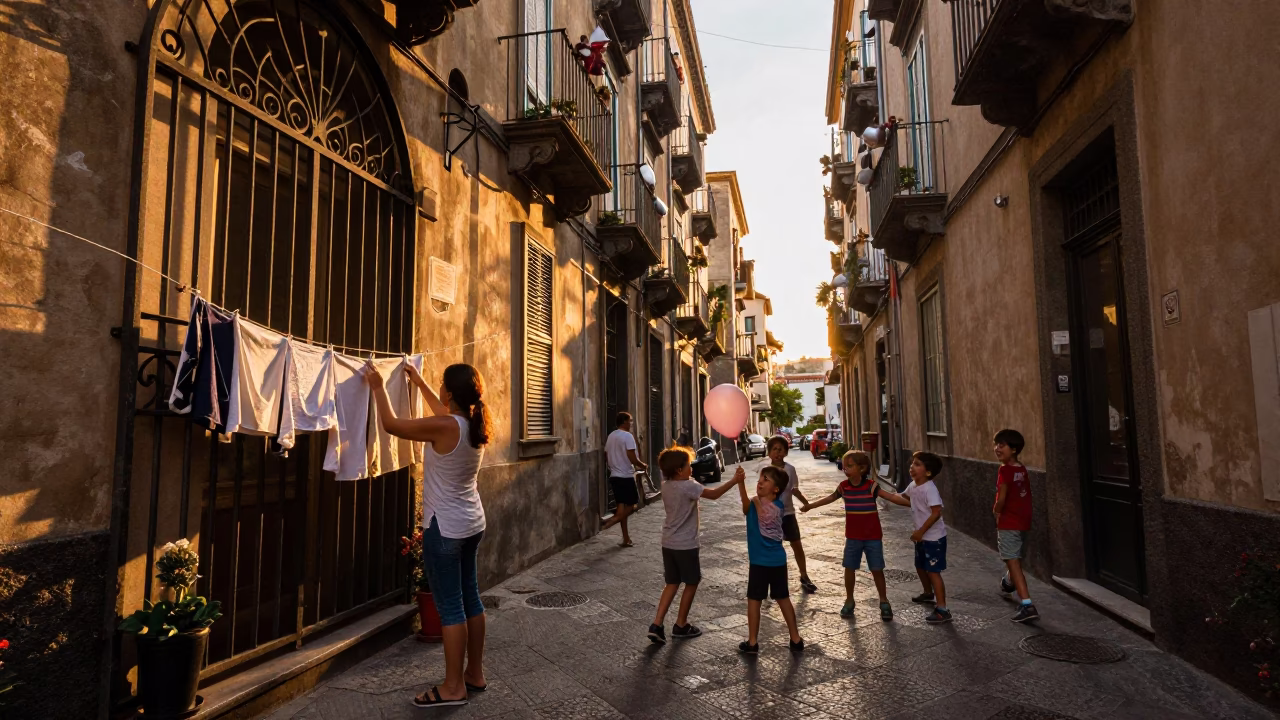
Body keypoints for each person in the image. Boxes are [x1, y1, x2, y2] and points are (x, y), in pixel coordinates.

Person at [365, 362, 490, 707]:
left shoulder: (446, 425)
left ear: (449, 393)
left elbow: (391, 425)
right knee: (472, 599)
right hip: (472, 523)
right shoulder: (470, 424)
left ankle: (452, 687)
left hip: (445, 529)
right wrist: (419, 381)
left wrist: (377, 386)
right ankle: (474, 674)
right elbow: (441, 412)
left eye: (440, 386)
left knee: (450, 608)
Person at [648, 449, 746, 645]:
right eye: (687, 465)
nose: (691, 468)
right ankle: (681, 624)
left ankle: (657, 624)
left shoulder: (665, 485)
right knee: (692, 582)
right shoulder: (688, 486)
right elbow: (714, 494)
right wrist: (734, 481)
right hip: (686, 544)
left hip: (668, 542)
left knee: (672, 583)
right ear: (678, 470)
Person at [802, 450, 893, 621]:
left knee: (877, 569)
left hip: (873, 537)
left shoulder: (871, 486)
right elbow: (830, 498)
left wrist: (910, 501)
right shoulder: (844, 487)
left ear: (862, 468)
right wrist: (810, 506)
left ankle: (884, 601)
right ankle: (849, 600)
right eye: (845, 466)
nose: (846, 469)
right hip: (853, 537)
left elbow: (890, 496)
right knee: (849, 568)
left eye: (850, 466)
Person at [737, 465, 804, 654]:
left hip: (763, 563)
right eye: (760, 478)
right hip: (772, 562)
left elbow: (758, 512)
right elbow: (747, 507)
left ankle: (755, 642)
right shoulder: (769, 505)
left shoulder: (767, 505)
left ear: (776, 489)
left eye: (766, 479)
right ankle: (793, 638)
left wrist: (749, 494)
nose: (760, 481)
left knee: (760, 600)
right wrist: (741, 484)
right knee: (775, 599)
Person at [881, 452, 951, 624]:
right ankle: (928, 593)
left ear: (928, 472)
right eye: (912, 463)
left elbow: (936, 513)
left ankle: (942, 609)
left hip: (934, 538)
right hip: (922, 538)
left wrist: (920, 531)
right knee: (920, 565)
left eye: (917, 464)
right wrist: (880, 492)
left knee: (933, 572)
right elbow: (904, 499)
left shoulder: (929, 489)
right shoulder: (914, 485)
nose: (912, 466)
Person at [993, 429, 1039, 623]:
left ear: (1013, 449)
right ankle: (1008, 582)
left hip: (1009, 520)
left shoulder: (1004, 470)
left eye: (1001, 445)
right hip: (1022, 521)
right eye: (996, 444)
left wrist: (996, 511)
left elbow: (1001, 498)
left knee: (1012, 560)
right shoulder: (1021, 468)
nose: (996, 448)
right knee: (1015, 557)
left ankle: (1027, 604)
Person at [767, 436, 818, 593]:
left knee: (796, 545)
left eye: (781, 449)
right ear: (769, 452)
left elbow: (794, 489)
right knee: (773, 547)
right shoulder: (766, 470)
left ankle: (804, 575)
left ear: (786, 452)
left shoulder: (790, 469)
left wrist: (806, 503)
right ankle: (771, 578)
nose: (777, 452)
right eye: (774, 449)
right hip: (770, 516)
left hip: (788, 514)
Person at [601, 412, 647, 547]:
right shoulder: (627, 436)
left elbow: (605, 454)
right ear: (624, 422)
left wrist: (613, 465)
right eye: (630, 421)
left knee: (622, 509)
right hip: (626, 476)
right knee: (633, 505)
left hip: (614, 476)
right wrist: (642, 465)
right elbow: (631, 456)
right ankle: (612, 521)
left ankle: (626, 539)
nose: (631, 424)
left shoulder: (611, 436)